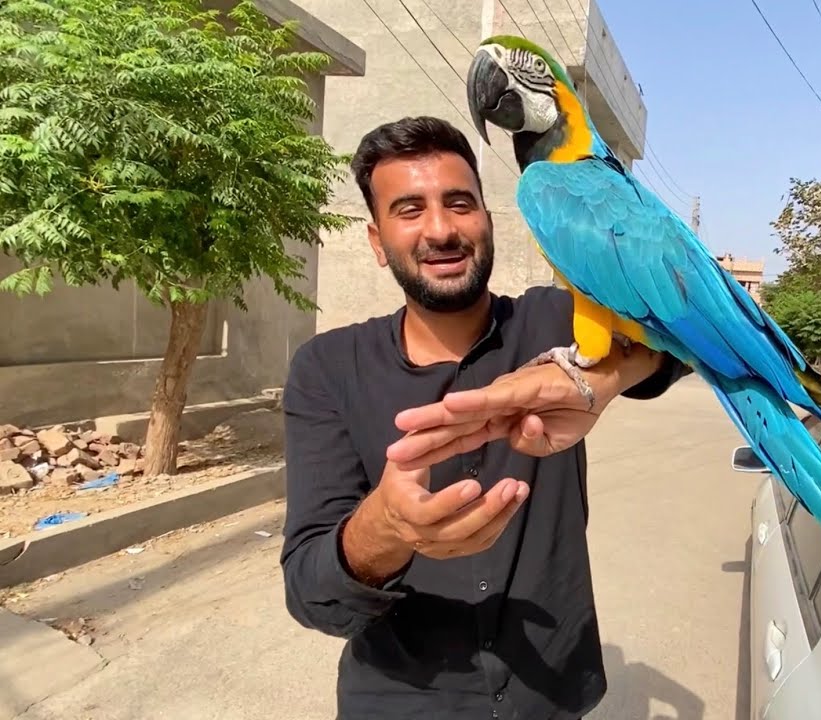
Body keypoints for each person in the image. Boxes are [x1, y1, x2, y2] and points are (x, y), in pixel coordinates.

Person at [279, 116, 690, 720]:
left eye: (459, 203)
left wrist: (600, 379)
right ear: (376, 240)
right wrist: (388, 527)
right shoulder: (327, 368)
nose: (441, 229)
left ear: (489, 219)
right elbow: (311, 593)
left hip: (552, 694)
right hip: (400, 704)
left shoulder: (559, 320)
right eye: (409, 209)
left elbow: (675, 345)